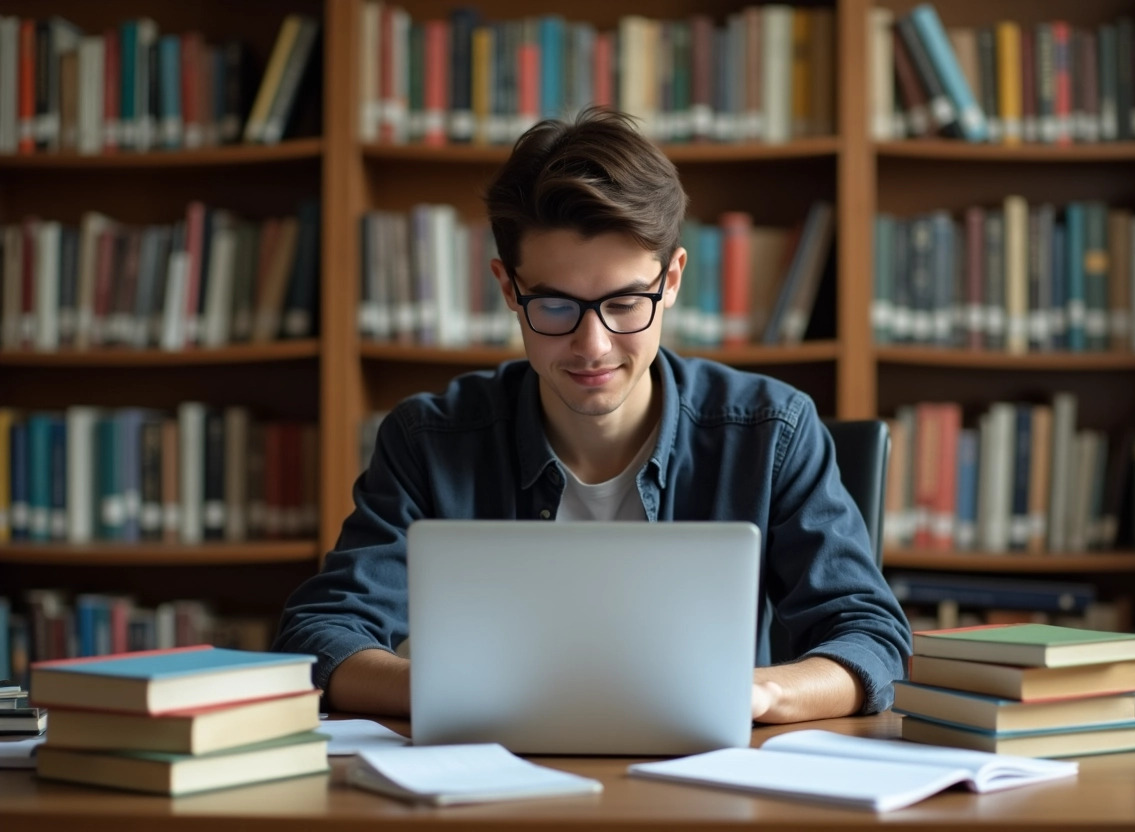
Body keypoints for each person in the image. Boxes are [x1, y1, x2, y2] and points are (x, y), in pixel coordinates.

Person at [272, 107, 910, 723]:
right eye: (554, 307)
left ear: (673, 280)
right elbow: (318, 635)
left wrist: (754, 695)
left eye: (627, 303)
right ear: (507, 288)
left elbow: (869, 640)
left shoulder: (774, 430)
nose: (593, 345)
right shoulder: (428, 439)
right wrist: (458, 692)